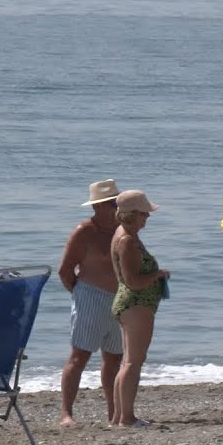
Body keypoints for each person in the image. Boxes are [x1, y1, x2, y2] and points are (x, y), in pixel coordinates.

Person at [57, 179, 124, 427]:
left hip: (118, 299)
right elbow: (64, 270)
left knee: (115, 357)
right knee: (80, 355)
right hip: (90, 296)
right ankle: (66, 413)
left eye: (117, 203)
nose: (116, 208)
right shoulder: (84, 231)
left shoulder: (123, 230)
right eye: (110, 204)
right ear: (97, 207)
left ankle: (113, 412)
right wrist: (79, 293)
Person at [109, 190, 169, 428]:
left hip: (129, 302)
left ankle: (118, 416)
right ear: (132, 215)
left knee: (127, 361)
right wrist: (157, 274)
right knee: (134, 362)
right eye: (144, 214)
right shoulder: (128, 240)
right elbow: (133, 281)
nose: (147, 218)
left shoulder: (122, 234)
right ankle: (127, 418)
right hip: (136, 303)